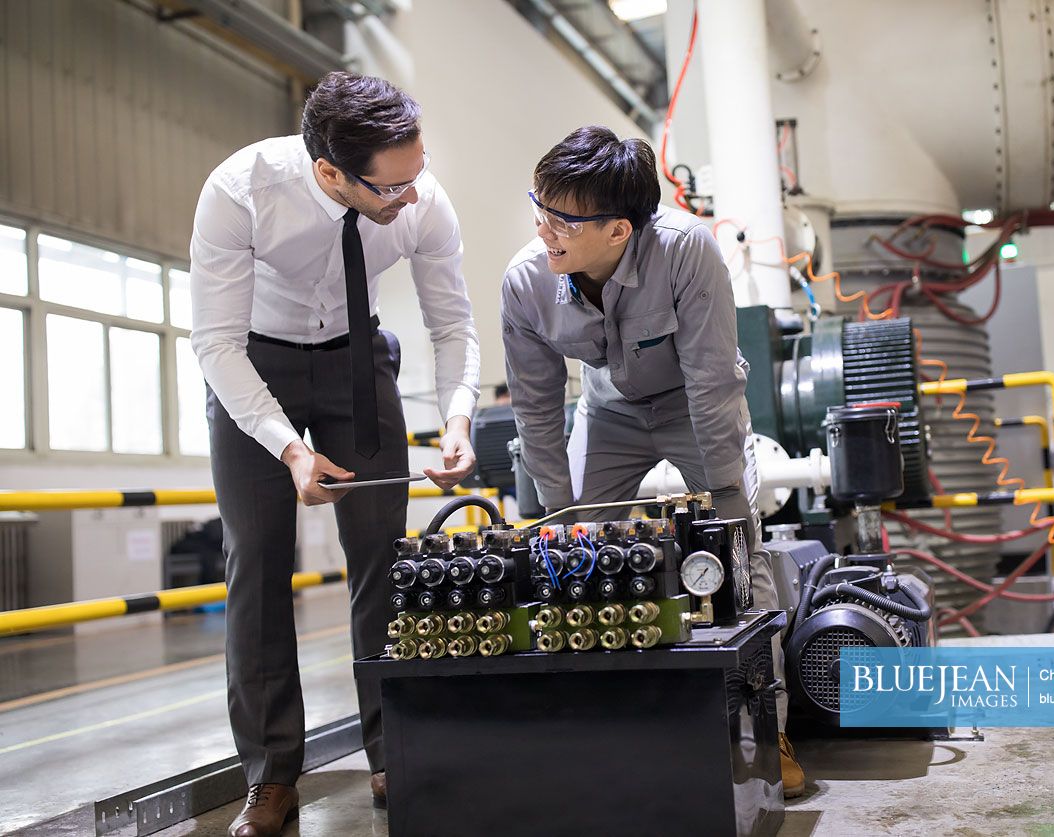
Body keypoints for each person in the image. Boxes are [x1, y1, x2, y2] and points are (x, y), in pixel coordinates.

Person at [190, 71, 479, 836]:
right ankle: (270, 776)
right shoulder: (240, 191)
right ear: (330, 173)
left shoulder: (422, 196)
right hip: (254, 364)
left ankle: (393, 749)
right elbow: (215, 342)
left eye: (415, 175)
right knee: (256, 559)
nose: (411, 197)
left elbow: (453, 325)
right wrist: (287, 448)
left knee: (384, 553)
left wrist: (457, 418)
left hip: (358, 360)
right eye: (391, 188)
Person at [499, 125, 805, 797]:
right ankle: (604, 735)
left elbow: (711, 379)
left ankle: (766, 729)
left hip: (691, 407)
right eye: (539, 207)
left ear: (618, 231)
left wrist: (726, 499)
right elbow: (537, 405)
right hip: (605, 412)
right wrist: (562, 514)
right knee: (576, 561)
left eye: (562, 219)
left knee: (737, 563)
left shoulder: (686, 252)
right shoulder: (525, 282)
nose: (543, 228)